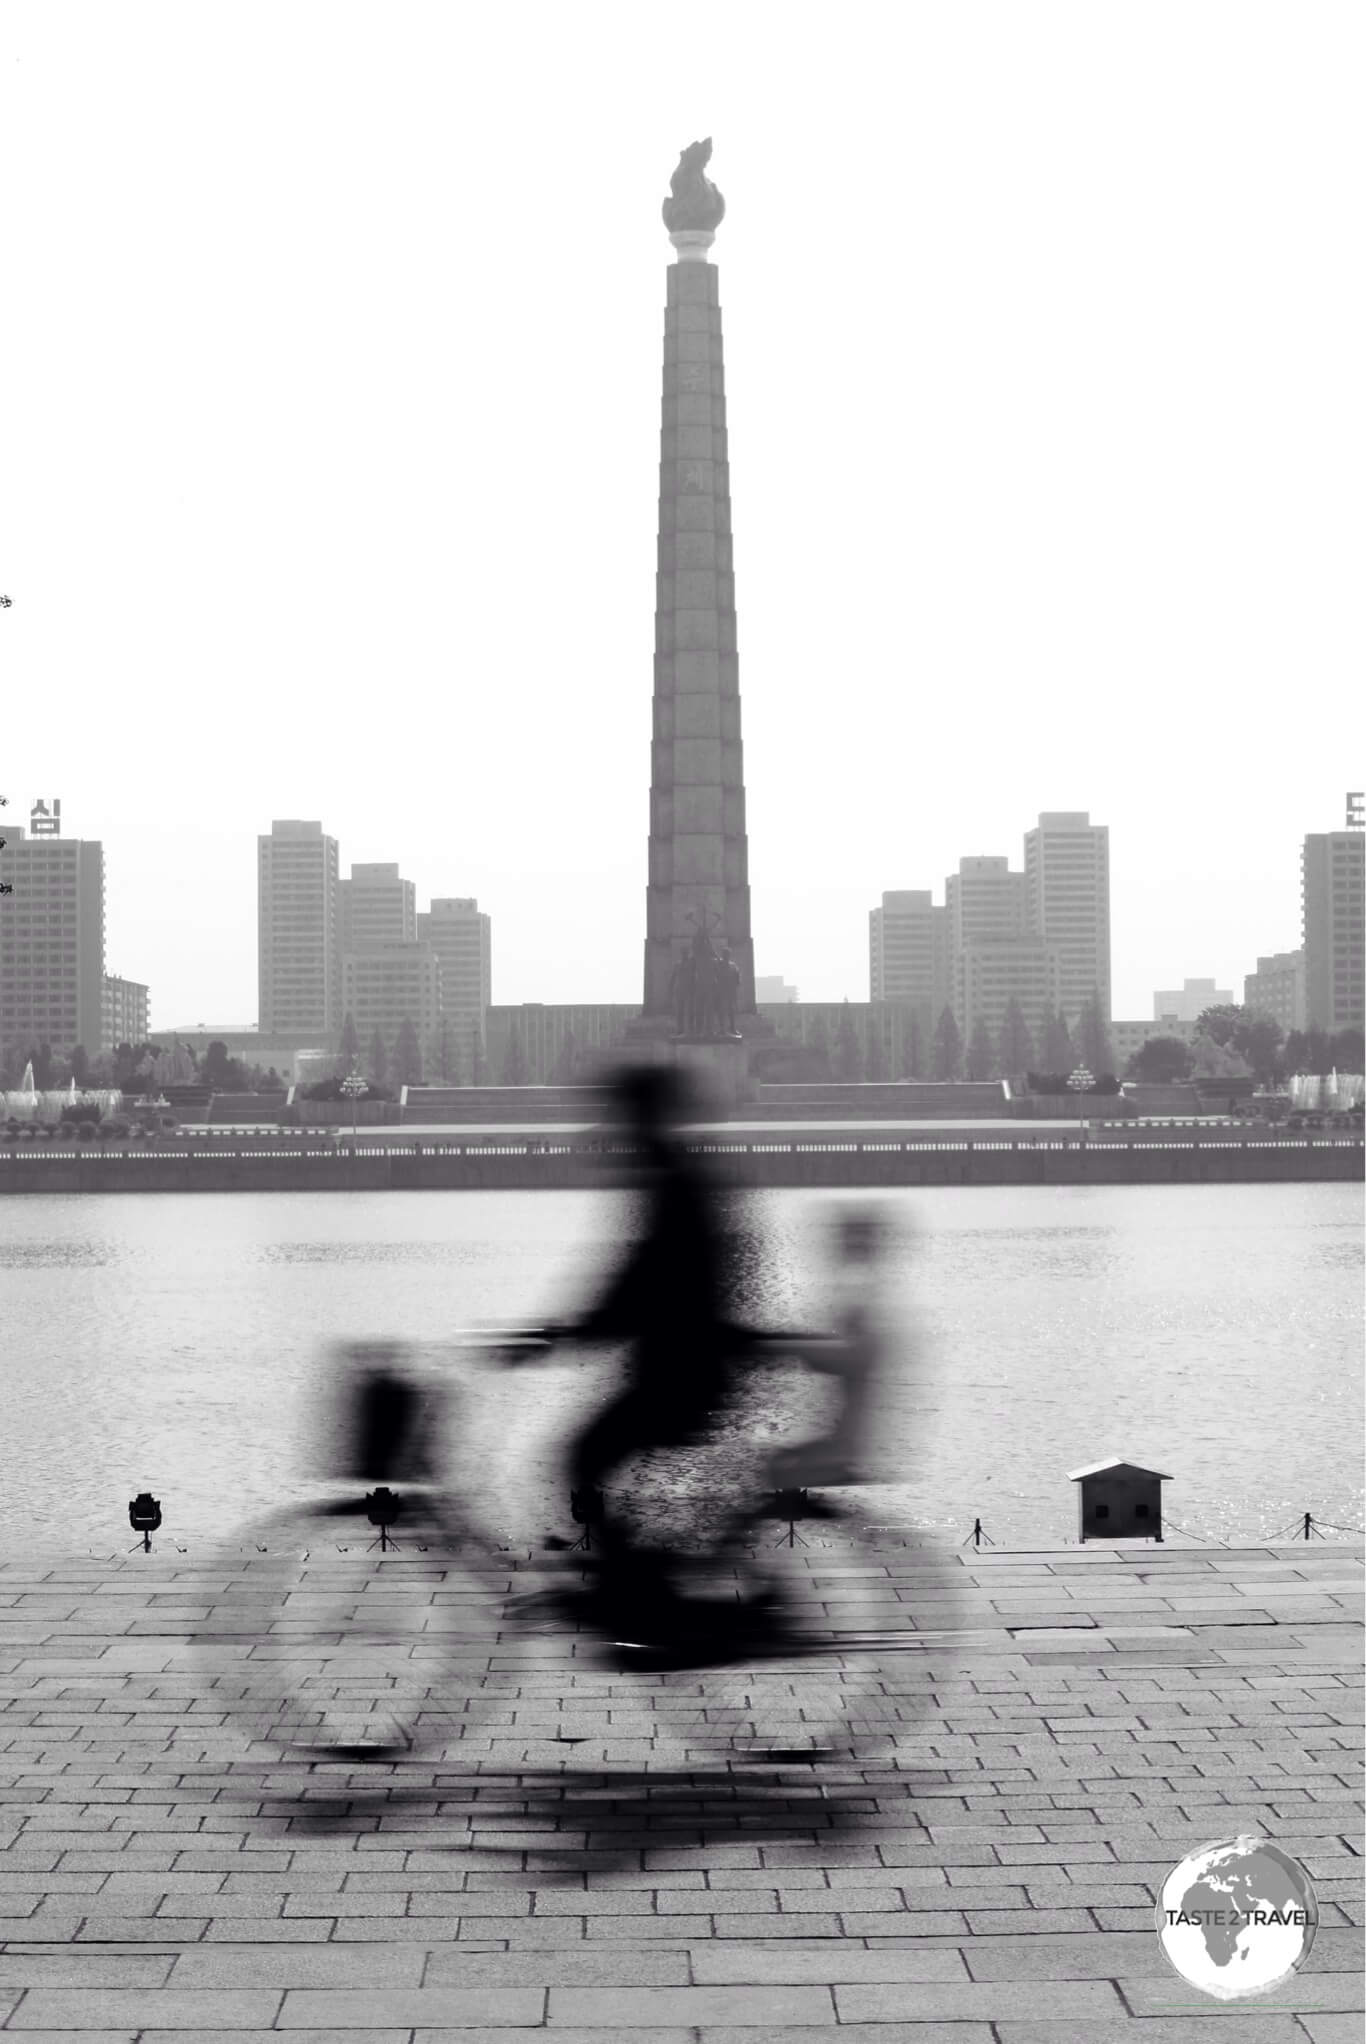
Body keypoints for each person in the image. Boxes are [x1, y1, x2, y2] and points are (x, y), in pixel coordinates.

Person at [539, 1060, 745, 1635]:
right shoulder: (676, 1176)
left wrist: (568, 1333)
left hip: (683, 1372)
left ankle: (637, 1593)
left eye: (617, 1113)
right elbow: (639, 1281)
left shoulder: (670, 1184)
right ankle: (632, 1576)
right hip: (685, 1365)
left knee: (581, 1456)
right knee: (593, 1460)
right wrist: (577, 1329)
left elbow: (644, 1282)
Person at [764, 1203, 895, 1507]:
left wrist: (782, 1347)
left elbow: (835, 1356)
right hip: (847, 1444)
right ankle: (800, 1515)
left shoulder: (866, 1327)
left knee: (777, 1466)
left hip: (845, 1450)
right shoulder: (867, 1304)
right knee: (781, 1468)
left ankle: (786, 1527)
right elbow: (829, 1354)